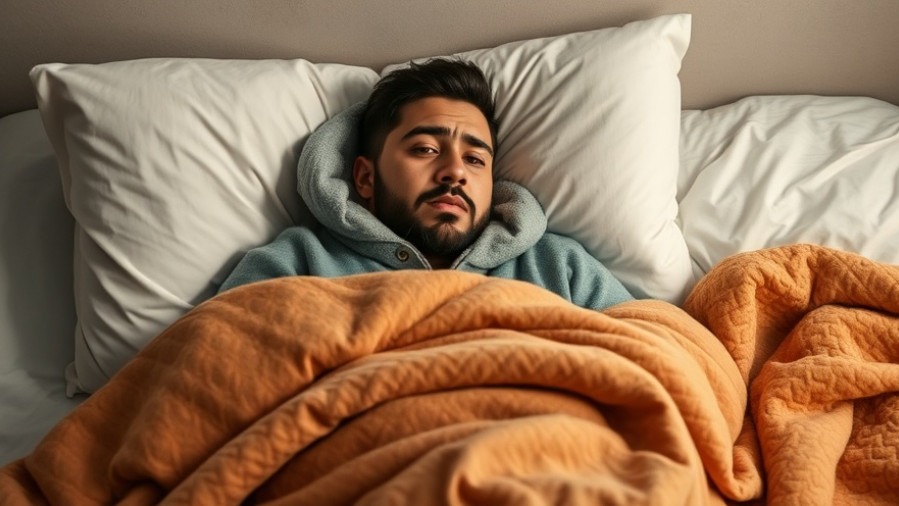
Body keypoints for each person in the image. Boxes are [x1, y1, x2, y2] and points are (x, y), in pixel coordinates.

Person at [219, 58, 633, 310]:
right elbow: (211, 359)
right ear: (365, 177)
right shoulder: (296, 264)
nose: (455, 171)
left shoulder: (559, 267)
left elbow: (653, 346)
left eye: (475, 159)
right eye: (426, 149)